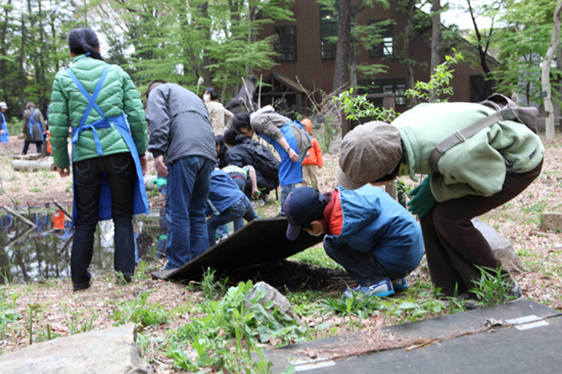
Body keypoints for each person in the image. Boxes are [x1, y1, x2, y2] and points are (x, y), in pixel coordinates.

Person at [336, 100, 545, 301]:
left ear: (388, 174)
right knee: (428, 211)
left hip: (516, 159)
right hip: (474, 155)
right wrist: (434, 188)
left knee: (449, 217)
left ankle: (501, 288)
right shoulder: (394, 134)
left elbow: (490, 181)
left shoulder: (454, 157)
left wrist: (436, 190)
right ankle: (451, 289)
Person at [49, 28, 149, 291]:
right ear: (97, 47)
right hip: (119, 153)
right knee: (122, 216)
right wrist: (140, 152)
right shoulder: (116, 72)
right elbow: (137, 117)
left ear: (71, 52)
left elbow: (57, 124)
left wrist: (61, 160)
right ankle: (125, 276)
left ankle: (80, 281)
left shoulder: (63, 77)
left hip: (85, 155)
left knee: (85, 220)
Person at [284, 186, 423, 298]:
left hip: (400, 258)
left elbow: (364, 248)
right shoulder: (347, 193)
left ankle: (374, 283)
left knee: (330, 243)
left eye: (304, 229)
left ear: (314, 224)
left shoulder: (343, 225)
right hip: (413, 249)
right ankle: (395, 279)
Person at [146, 80, 216, 269]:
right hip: (208, 153)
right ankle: (200, 264)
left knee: (177, 210)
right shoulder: (191, 96)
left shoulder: (157, 92)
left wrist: (158, 151)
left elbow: (159, 121)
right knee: (197, 211)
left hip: (184, 153)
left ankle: (178, 264)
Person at [231, 105, 312, 215]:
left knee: (286, 179)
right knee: (290, 180)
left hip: (291, 142)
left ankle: (285, 212)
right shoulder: (260, 117)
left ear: (243, 125)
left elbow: (275, 132)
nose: (242, 135)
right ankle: (293, 209)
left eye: (241, 132)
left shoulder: (256, 121)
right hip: (295, 138)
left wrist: (289, 150)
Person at [207, 169, 260, 246]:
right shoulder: (218, 172)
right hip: (243, 198)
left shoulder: (202, 181)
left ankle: (210, 251)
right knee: (257, 221)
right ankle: (271, 236)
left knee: (209, 224)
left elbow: (205, 203)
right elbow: (234, 185)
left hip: (234, 206)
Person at [223, 129, 279, 201]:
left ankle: (254, 198)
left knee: (236, 177)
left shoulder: (233, 151)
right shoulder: (253, 143)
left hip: (262, 182)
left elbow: (237, 173)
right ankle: (263, 194)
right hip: (275, 180)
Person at [300, 118, 323, 188]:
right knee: (304, 180)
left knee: (314, 179)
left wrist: (320, 163)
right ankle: (305, 194)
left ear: (309, 129)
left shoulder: (313, 141)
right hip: (303, 163)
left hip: (312, 163)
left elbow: (318, 152)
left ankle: (316, 193)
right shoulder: (300, 141)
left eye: (305, 129)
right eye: (302, 129)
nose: (304, 131)